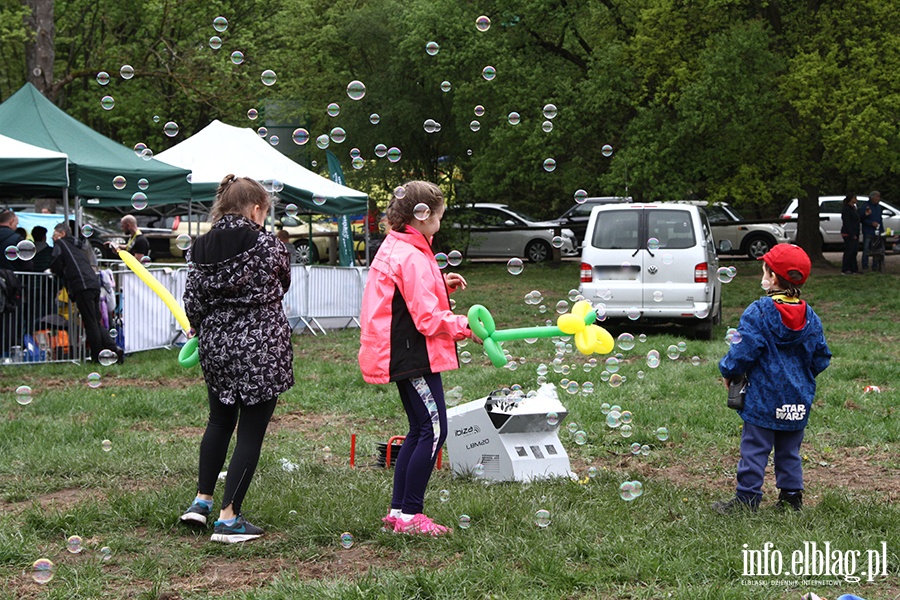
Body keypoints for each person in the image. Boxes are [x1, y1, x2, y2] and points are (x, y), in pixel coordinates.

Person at [358, 181, 480, 536]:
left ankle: (398, 512)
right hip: (412, 353)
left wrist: (440, 282)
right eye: (439, 214)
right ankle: (411, 516)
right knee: (434, 428)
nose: (440, 221)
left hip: (404, 350)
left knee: (420, 428)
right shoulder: (411, 253)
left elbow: (409, 290)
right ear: (423, 216)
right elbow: (426, 318)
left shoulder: (401, 244)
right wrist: (463, 324)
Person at [179, 175, 294, 544]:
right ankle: (229, 519)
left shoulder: (200, 247)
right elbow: (284, 282)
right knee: (251, 430)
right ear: (257, 209)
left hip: (216, 345)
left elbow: (193, 300)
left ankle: (201, 502)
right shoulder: (269, 245)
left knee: (219, 420)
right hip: (261, 344)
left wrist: (199, 325)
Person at [714, 244, 831, 513]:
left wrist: (729, 372)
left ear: (774, 278)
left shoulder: (759, 311)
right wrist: (800, 377)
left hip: (763, 399)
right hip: (797, 399)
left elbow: (742, 351)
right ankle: (791, 499)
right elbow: (821, 357)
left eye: (764, 270)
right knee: (789, 450)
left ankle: (747, 500)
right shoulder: (810, 316)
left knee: (754, 449)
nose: (761, 274)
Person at [49, 223, 123, 364]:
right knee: (96, 321)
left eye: (54, 234)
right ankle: (113, 349)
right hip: (92, 283)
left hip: (81, 285)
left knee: (90, 323)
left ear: (62, 234)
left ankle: (97, 356)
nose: (53, 237)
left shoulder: (60, 244)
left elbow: (56, 262)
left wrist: (54, 272)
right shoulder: (78, 245)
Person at [858, 191, 883, 271]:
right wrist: (870, 223)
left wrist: (881, 229)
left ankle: (875, 266)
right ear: (872, 198)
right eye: (877, 197)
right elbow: (861, 219)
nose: (879, 199)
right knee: (866, 249)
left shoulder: (878, 207)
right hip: (868, 230)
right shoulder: (866, 206)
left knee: (876, 249)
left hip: (877, 231)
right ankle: (865, 266)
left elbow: (880, 219)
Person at [839, 195, 861, 275]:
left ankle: (854, 268)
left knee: (854, 251)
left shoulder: (853, 208)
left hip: (855, 232)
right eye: (854, 198)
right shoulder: (846, 209)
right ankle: (845, 268)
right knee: (849, 251)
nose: (856, 199)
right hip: (848, 233)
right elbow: (847, 222)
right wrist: (851, 234)